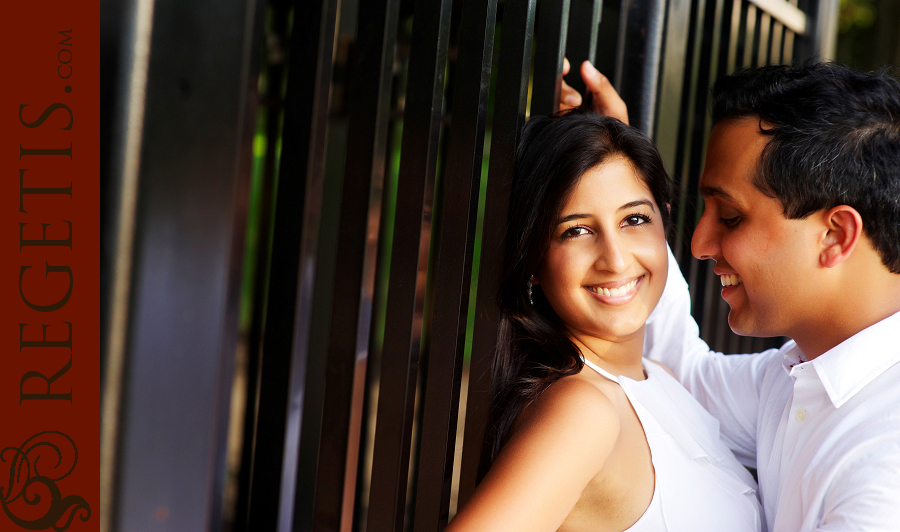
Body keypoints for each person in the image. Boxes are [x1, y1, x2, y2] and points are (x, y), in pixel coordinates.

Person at [566, 60, 900, 531]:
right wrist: (617, 184)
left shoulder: (886, 470)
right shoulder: (796, 377)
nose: (698, 245)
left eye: (729, 217)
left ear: (835, 235)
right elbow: (683, 380)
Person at [446, 111, 763, 531]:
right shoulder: (584, 411)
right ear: (535, 260)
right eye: (575, 231)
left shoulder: (661, 378)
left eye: (634, 220)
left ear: (663, 225)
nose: (614, 259)